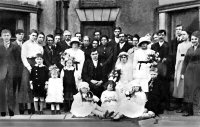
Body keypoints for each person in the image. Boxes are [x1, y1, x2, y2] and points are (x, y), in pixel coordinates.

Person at [19, 29, 44, 114]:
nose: (34, 37)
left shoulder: (38, 46)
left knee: (36, 83)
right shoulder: (25, 44)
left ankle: (35, 107)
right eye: (33, 35)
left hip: (36, 63)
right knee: (26, 84)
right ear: (29, 35)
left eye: (36, 36)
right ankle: (28, 106)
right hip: (28, 64)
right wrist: (29, 68)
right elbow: (23, 57)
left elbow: (41, 54)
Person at [181, 31, 200, 116]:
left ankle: (197, 110)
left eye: (195, 39)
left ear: (198, 39)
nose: (193, 41)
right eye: (192, 39)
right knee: (188, 89)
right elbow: (185, 62)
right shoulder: (189, 49)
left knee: (197, 89)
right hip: (189, 71)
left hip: (198, 71)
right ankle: (189, 111)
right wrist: (182, 72)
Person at [173, 31, 192, 112]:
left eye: (184, 34)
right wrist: (176, 68)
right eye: (181, 35)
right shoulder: (179, 45)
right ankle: (180, 105)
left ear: (188, 35)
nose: (183, 36)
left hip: (188, 64)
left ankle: (187, 106)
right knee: (179, 85)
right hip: (180, 64)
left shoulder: (191, 44)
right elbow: (178, 56)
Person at [0, 29, 17, 116]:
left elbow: (18, 60)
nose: (6, 37)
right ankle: (2, 110)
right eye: (4, 35)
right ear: (1, 36)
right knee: (1, 91)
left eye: (8, 35)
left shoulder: (15, 47)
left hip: (12, 71)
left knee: (11, 91)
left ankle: (11, 110)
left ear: (10, 36)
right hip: (1, 72)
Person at [12, 29, 25, 114]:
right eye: (20, 34)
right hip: (14, 71)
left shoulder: (25, 45)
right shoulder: (12, 45)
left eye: (23, 34)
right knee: (13, 90)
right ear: (16, 35)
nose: (21, 36)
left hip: (23, 70)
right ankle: (12, 108)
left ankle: (21, 108)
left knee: (22, 89)